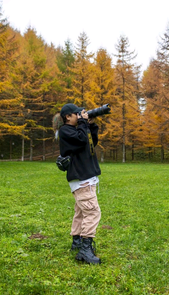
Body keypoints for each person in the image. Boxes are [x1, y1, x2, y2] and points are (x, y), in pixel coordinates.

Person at [59, 103, 101, 265]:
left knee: (81, 212)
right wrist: (83, 124)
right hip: (82, 178)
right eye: (77, 114)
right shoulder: (65, 131)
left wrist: (90, 124)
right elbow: (81, 139)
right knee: (92, 212)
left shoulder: (79, 129)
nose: (80, 116)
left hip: (85, 177)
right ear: (68, 117)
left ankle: (77, 242)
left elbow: (90, 143)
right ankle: (85, 249)